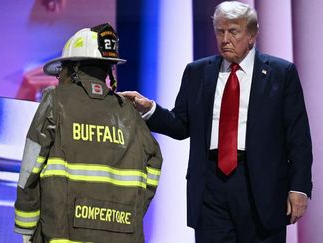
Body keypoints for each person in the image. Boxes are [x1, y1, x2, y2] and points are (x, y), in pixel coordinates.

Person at [120, 1, 312, 242]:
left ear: (252, 36)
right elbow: (181, 125)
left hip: (261, 186)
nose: (225, 39)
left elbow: (298, 137)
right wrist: (150, 110)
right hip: (210, 185)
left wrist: (299, 188)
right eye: (220, 31)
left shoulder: (280, 73)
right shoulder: (197, 72)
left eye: (233, 31)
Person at [14, 23, 162, 243]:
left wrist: (26, 230)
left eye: (62, 70)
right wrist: (129, 212)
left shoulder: (55, 101)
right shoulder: (130, 113)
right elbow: (154, 163)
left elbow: (29, 171)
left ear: (74, 69)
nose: (58, 78)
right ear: (109, 70)